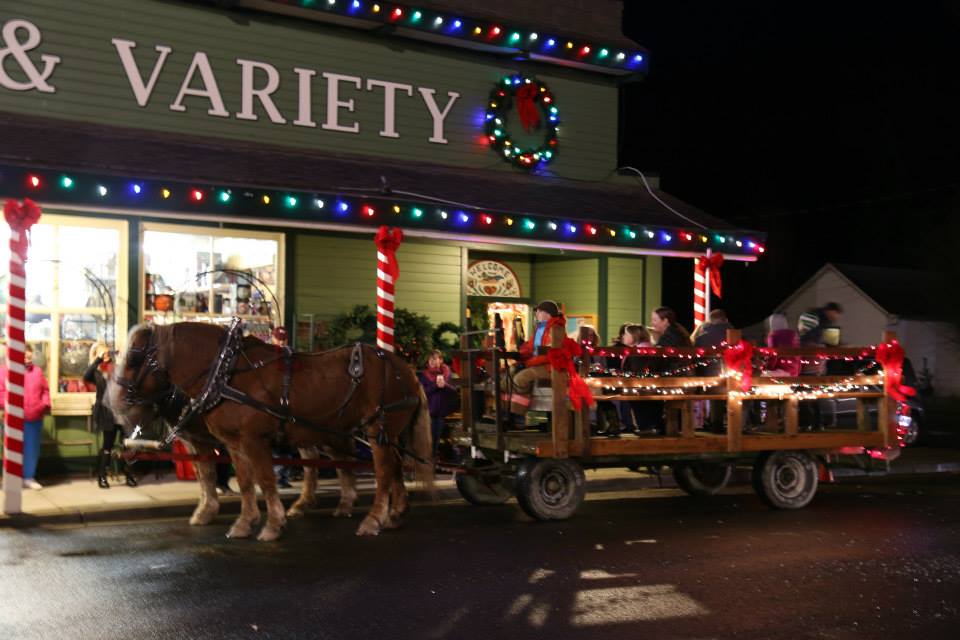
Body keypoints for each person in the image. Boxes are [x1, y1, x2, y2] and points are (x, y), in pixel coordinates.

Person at [84, 342, 138, 489]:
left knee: (127, 444)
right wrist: (98, 360)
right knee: (107, 444)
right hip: (107, 413)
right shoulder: (96, 371)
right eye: (102, 353)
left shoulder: (117, 368)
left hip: (122, 411)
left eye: (106, 353)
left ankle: (129, 475)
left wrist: (122, 357)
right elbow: (86, 376)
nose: (106, 355)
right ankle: (102, 476)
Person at [0, 345, 51, 489]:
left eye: (29, 354)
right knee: (13, 449)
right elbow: (1, 391)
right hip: (13, 418)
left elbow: (45, 390)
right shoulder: (5, 371)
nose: (27, 356)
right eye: (24, 353)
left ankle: (29, 477)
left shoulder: (37, 371)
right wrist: (9, 405)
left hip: (34, 417)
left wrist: (44, 404)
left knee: (32, 449)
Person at [508, 300, 561, 427]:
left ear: (547, 313)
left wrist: (527, 363)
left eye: (539, 311)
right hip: (537, 364)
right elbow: (530, 347)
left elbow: (548, 355)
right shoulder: (540, 328)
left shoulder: (555, 329)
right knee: (509, 374)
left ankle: (518, 417)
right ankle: (507, 412)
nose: (536, 314)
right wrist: (519, 354)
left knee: (521, 378)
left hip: (550, 367)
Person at [418, 350, 457, 456]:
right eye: (431, 359)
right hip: (428, 413)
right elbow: (422, 393)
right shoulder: (423, 376)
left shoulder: (447, 374)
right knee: (427, 438)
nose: (433, 361)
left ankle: (433, 460)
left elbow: (454, 391)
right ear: (427, 362)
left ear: (441, 360)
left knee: (436, 438)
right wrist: (436, 386)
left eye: (436, 359)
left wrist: (445, 385)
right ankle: (426, 460)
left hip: (441, 413)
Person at [269, 326, 295, 489]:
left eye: (284, 339)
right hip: (271, 402)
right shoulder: (267, 355)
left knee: (286, 441)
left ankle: (282, 475)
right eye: (279, 338)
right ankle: (277, 475)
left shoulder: (291, 355)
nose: (281, 341)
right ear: (273, 338)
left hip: (288, 401)